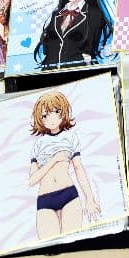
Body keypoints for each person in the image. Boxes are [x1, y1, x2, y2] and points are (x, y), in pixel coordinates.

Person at [28, 90, 101, 239]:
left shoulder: (70, 137)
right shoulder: (38, 144)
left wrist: (90, 199)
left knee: (72, 242)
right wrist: (54, 160)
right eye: (45, 115)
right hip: (45, 199)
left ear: (63, 112)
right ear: (39, 119)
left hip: (69, 195)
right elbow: (32, 180)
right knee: (49, 245)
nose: (51, 118)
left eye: (56, 112)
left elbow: (79, 168)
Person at [34, 0, 112, 70]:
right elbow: (48, 44)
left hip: (78, 70)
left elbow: (95, 44)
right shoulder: (56, 14)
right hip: (50, 71)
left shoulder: (94, 14)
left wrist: (86, 59)